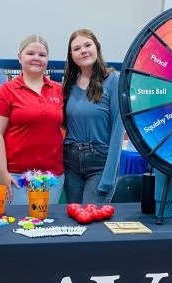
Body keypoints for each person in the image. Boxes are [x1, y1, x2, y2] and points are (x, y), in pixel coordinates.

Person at [0, 34, 64, 205]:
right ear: (19, 57)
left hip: (52, 177)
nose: (36, 58)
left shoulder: (58, 90)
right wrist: (3, 172)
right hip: (17, 177)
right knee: (19, 228)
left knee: (47, 228)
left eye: (42, 55)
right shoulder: (6, 91)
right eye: (30, 53)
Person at [62, 29, 124, 203]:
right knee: (74, 222)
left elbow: (118, 130)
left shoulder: (114, 80)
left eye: (87, 45)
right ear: (72, 55)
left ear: (97, 47)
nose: (83, 50)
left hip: (99, 164)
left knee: (92, 222)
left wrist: (109, 177)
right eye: (77, 48)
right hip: (70, 163)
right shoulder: (68, 84)